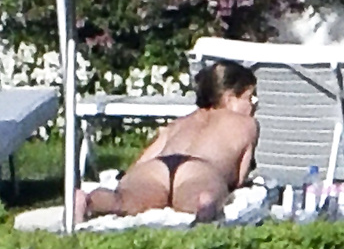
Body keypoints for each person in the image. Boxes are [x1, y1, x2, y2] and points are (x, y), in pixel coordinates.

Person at [74, 60, 259, 223]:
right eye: (250, 97)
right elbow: (238, 178)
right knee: (205, 196)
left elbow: (142, 162)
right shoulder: (246, 124)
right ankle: (204, 205)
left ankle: (89, 201)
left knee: (123, 202)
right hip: (200, 169)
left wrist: (129, 181)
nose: (255, 103)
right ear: (229, 99)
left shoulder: (180, 123)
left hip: (158, 166)